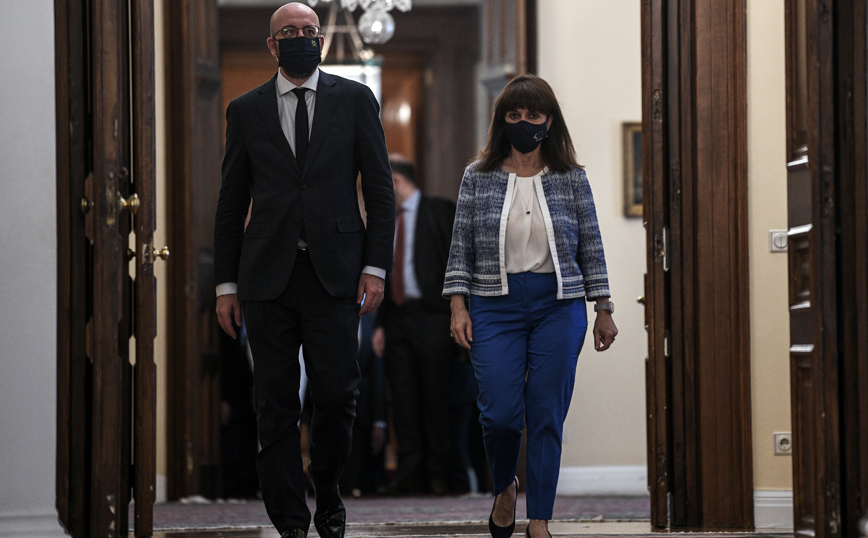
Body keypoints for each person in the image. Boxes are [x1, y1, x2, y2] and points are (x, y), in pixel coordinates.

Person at [213, 2, 395, 537]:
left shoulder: (355, 99)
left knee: (337, 395)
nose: (301, 38)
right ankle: (290, 521)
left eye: (309, 30)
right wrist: (226, 285)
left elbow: (380, 192)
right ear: (273, 45)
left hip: (336, 274)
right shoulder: (245, 110)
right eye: (289, 32)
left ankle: (328, 489)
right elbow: (230, 205)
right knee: (274, 405)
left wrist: (375, 268)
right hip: (266, 277)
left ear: (321, 39)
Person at [443, 74, 618, 538]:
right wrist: (458, 306)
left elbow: (591, 245)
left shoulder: (571, 178)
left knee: (545, 413)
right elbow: (460, 247)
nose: (525, 122)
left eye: (534, 114)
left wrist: (603, 307)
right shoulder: (477, 177)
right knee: (499, 414)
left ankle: (539, 518)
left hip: (557, 306)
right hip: (492, 304)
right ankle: (505, 485)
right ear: (502, 120)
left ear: (549, 121)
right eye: (514, 114)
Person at [371, 156, 464, 495]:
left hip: (434, 318)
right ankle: (409, 474)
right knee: (403, 399)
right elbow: (384, 271)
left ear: (395, 182)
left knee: (436, 397)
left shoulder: (439, 211)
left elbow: (458, 261)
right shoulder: (387, 221)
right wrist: (381, 325)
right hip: (397, 320)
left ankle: (438, 475)